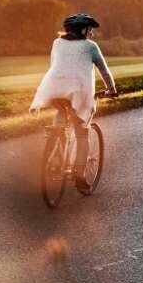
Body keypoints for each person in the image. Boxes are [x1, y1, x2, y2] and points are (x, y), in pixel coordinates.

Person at [30, 13, 117, 192]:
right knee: (82, 133)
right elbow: (105, 72)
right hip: (78, 92)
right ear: (83, 30)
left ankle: (55, 155)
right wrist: (112, 90)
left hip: (53, 88)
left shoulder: (57, 43)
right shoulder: (90, 47)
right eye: (90, 29)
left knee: (61, 114)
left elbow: (56, 65)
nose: (91, 33)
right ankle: (79, 175)